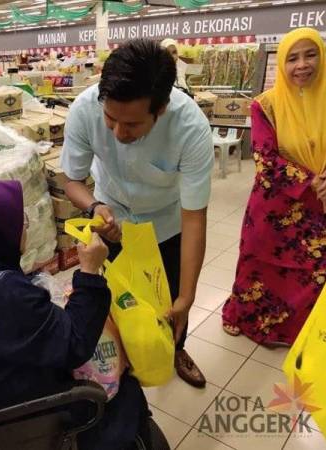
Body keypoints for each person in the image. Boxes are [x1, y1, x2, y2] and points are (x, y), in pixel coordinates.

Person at [0, 179, 154, 449]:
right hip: (34, 403)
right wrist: (89, 272)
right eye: (18, 218)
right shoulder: (6, 295)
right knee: (126, 387)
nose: (25, 223)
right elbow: (76, 344)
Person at [61, 39, 214, 389]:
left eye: (131, 125)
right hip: (110, 219)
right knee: (115, 299)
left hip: (166, 223)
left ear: (159, 110)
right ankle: (122, 359)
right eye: (110, 119)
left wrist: (187, 298)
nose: (117, 132)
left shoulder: (189, 128)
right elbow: (71, 179)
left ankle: (176, 350)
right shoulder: (85, 110)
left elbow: (194, 216)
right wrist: (95, 207)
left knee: (170, 298)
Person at [222, 28, 326, 345]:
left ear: (322, 57)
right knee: (261, 266)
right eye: (293, 58)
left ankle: (302, 330)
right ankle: (244, 318)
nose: (302, 65)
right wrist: (316, 182)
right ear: (282, 63)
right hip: (277, 208)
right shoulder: (265, 105)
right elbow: (266, 160)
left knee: (317, 270)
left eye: (310, 55)